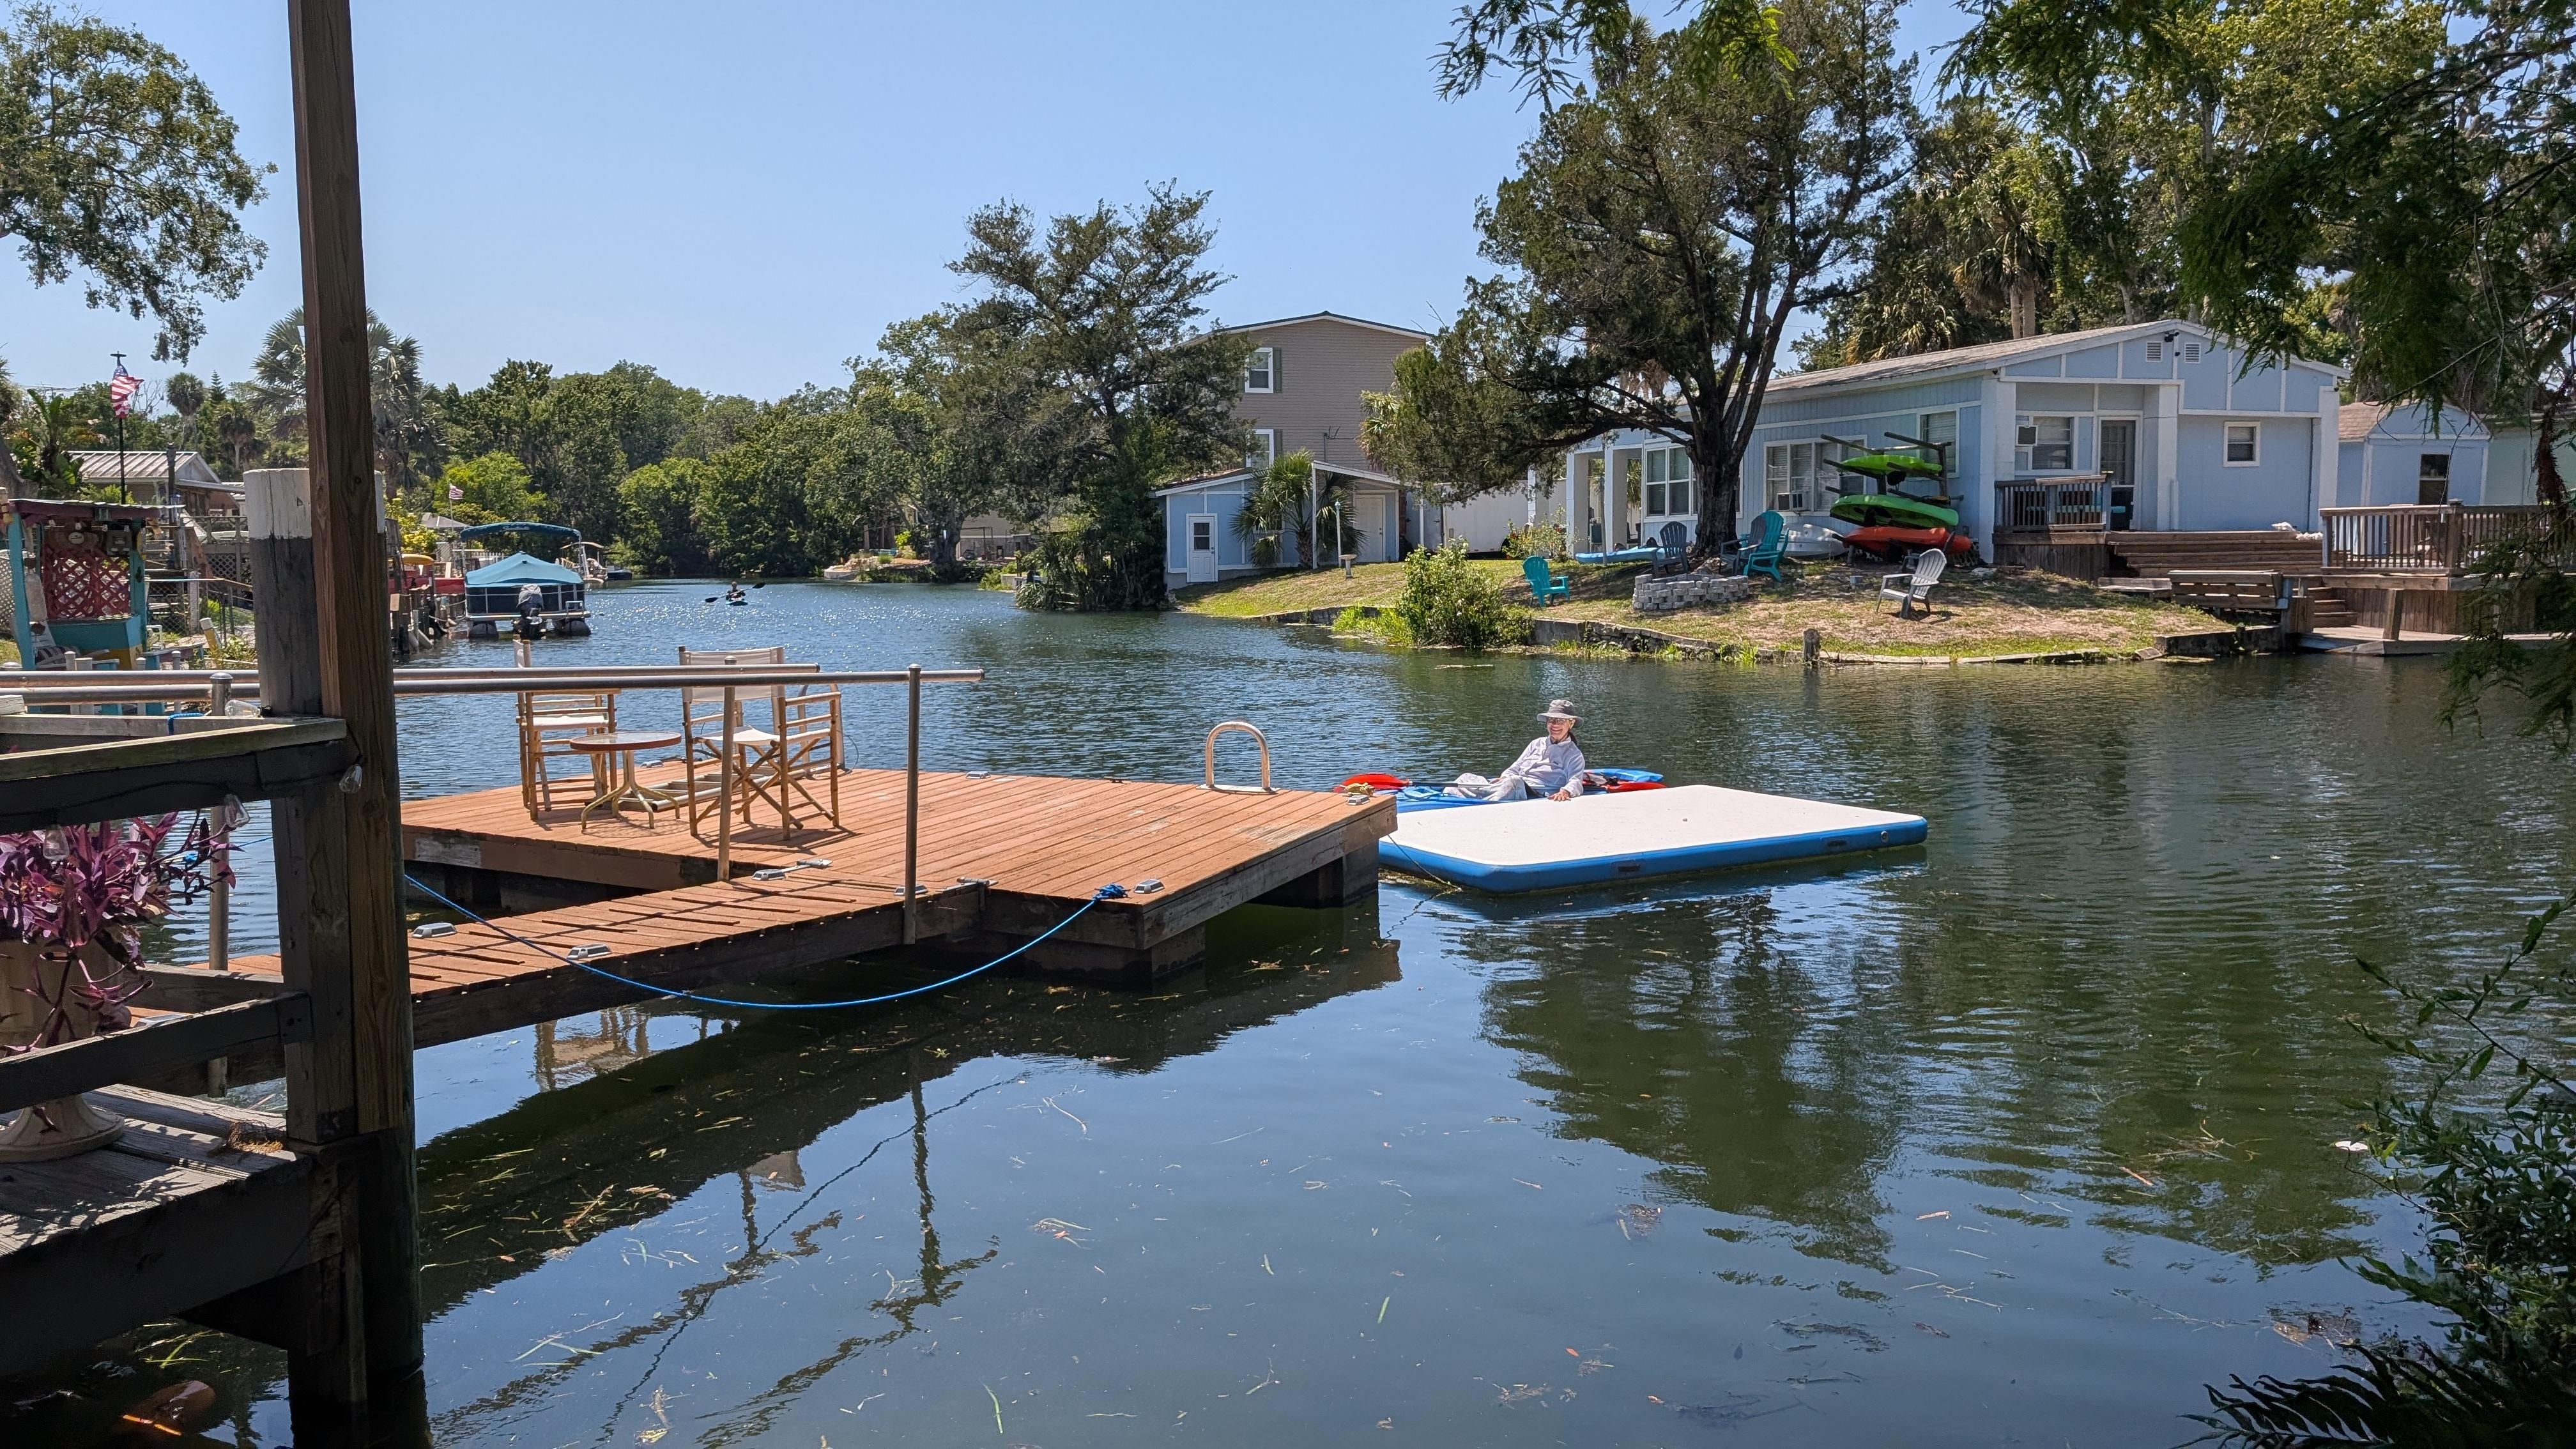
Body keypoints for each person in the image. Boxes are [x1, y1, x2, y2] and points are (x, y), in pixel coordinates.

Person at [1450, 699, 1588, 802]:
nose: (1555, 725)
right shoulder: (1536, 743)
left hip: (1535, 794)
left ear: (1571, 724)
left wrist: (1565, 792)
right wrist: (1504, 778)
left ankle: (1482, 805)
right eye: (1552, 720)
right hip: (1513, 784)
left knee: (1515, 782)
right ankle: (1449, 800)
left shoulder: (1574, 754)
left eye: (1561, 721)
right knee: (1465, 778)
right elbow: (1515, 768)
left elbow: (1575, 781)